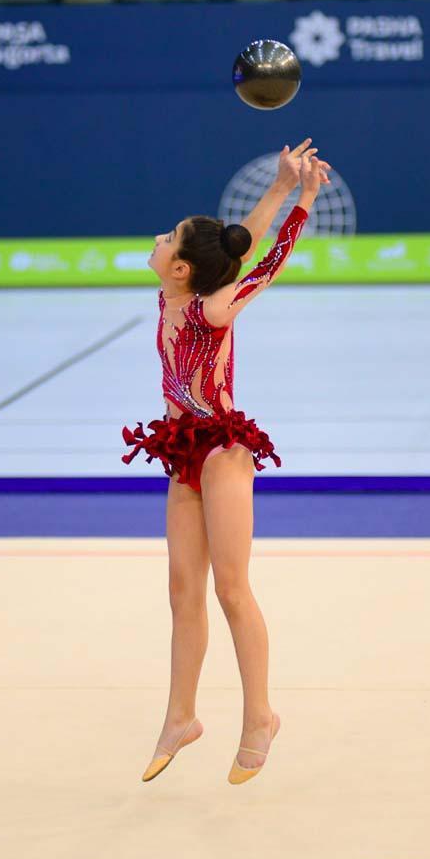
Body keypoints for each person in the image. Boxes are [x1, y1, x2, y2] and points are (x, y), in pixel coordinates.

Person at [121, 138, 329, 784]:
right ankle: (180, 716)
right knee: (182, 589)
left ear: (180, 267)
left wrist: (304, 199)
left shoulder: (212, 311)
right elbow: (236, 244)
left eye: (167, 238)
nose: (158, 239)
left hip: (220, 451)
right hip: (182, 450)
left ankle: (259, 715)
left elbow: (262, 263)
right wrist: (274, 187)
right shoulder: (173, 297)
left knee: (231, 588)